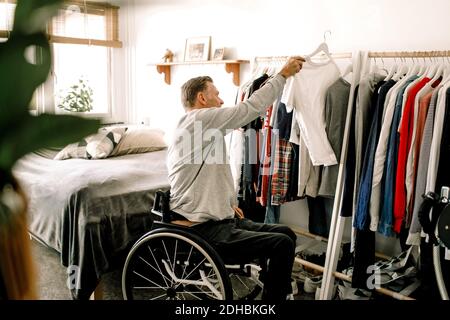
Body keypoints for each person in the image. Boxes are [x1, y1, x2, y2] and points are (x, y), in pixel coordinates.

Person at [166, 56, 305, 301]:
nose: (221, 100)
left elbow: (213, 174)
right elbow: (249, 109)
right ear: (201, 98)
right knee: (281, 244)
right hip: (203, 229)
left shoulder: (201, 127)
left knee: (287, 234)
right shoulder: (199, 119)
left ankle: (273, 289)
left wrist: (229, 203)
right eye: (217, 94)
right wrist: (282, 75)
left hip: (220, 219)